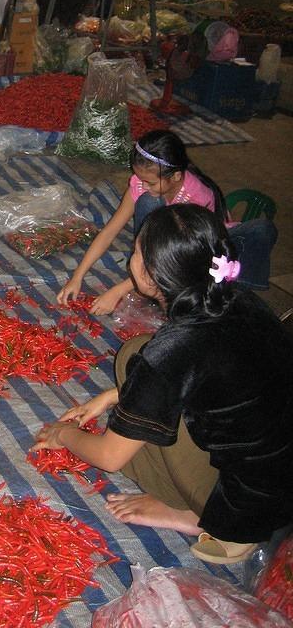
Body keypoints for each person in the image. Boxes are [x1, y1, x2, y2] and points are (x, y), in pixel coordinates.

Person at [34, 204, 293, 564]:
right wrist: (112, 396)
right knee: (134, 355)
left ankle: (199, 516)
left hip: (250, 506)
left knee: (132, 416)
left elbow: (109, 457)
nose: (130, 256)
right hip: (280, 466)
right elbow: (214, 374)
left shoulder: (172, 351)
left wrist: (62, 435)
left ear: (153, 275)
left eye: (137, 251)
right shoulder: (236, 298)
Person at [57, 130, 277, 314]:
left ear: (177, 177)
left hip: (197, 258)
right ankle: (148, 275)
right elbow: (109, 231)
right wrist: (77, 277)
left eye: (150, 181)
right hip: (166, 249)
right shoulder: (144, 187)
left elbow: (188, 257)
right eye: (140, 178)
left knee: (261, 231)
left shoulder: (198, 198)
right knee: (147, 201)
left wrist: (118, 291)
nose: (143, 185)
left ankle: (160, 285)